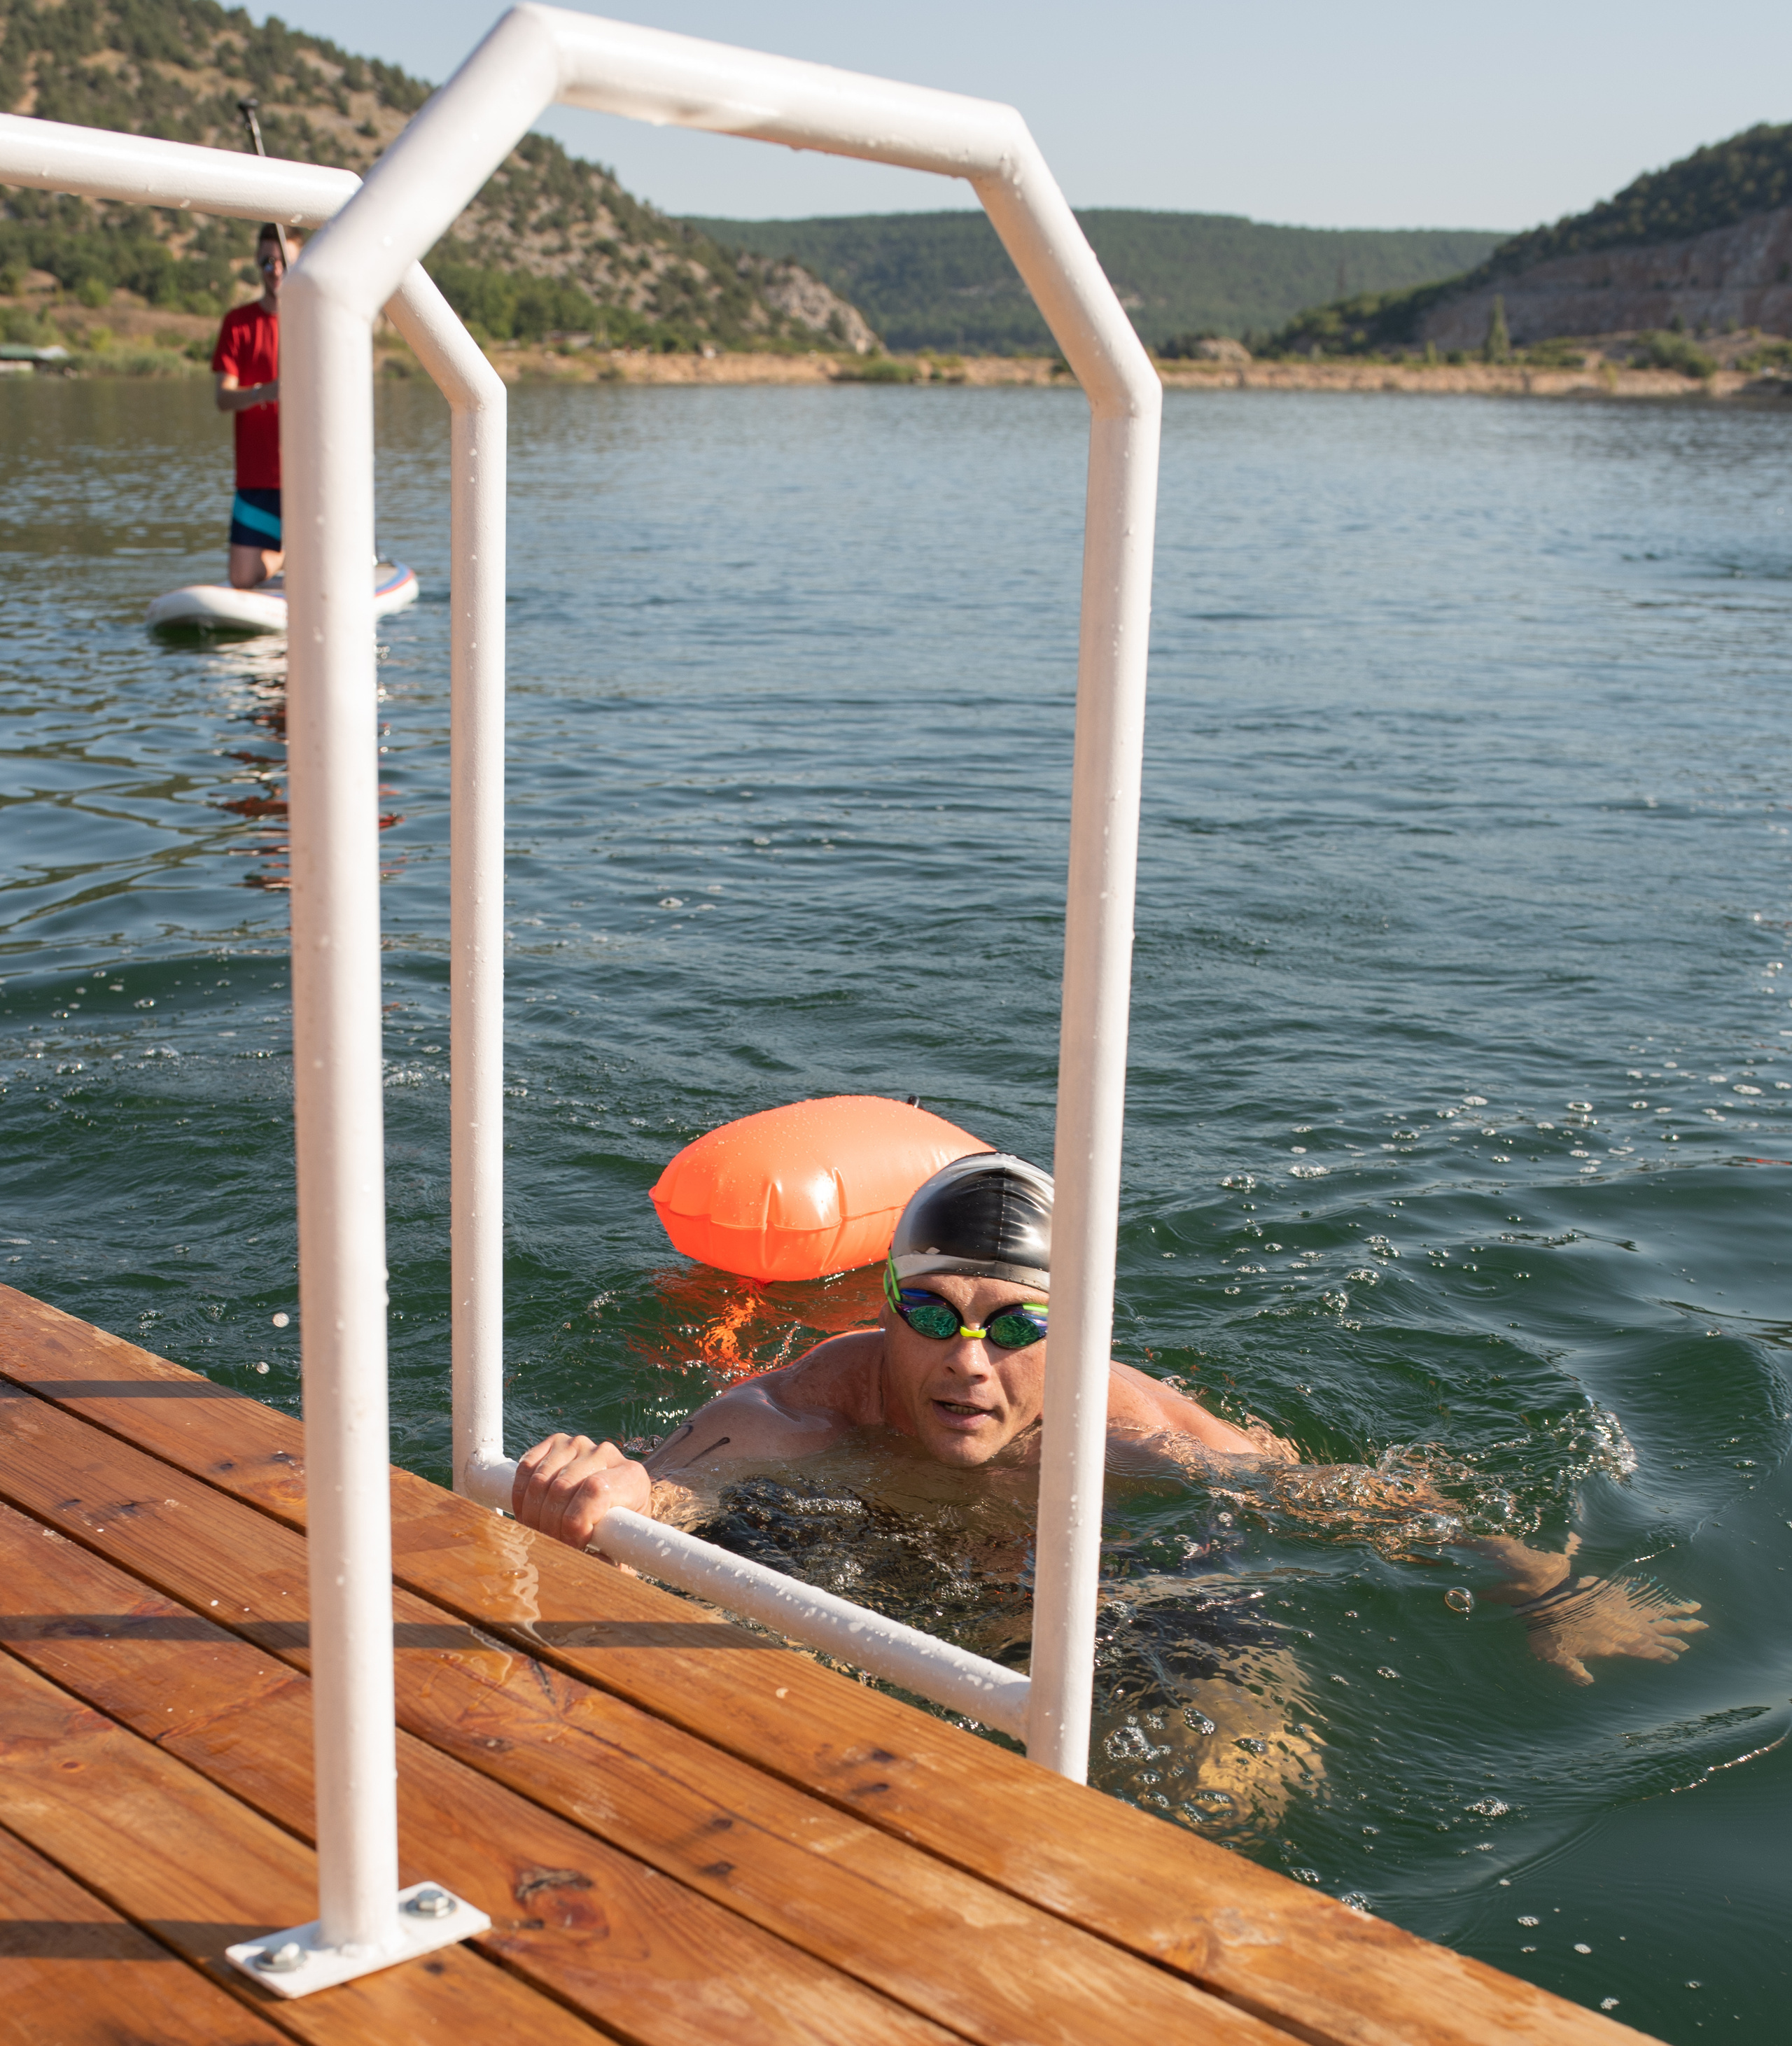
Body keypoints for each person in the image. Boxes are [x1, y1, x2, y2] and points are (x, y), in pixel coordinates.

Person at [514, 1151, 1704, 1690]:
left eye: (1017, 1326)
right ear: (883, 1314)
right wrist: (597, 1494)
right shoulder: (789, 1413)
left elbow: (1378, 1497)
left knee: (1242, 1771)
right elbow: (655, 1491)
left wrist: (1554, 1587)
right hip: (859, 1543)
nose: (969, 1362)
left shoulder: (1133, 1433)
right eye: (932, 1313)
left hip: (1106, 1564)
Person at [212, 225, 293, 589]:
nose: (274, 269)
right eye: (266, 261)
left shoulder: (318, 321)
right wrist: (265, 392)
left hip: (307, 475)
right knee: (241, 578)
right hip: (257, 475)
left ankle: (299, 549)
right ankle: (288, 552)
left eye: (282, 261)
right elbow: (223, 398)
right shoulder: (238, 323)